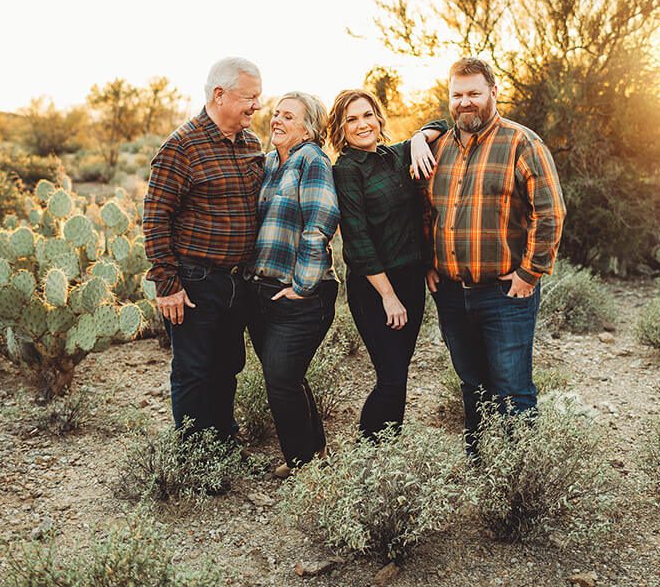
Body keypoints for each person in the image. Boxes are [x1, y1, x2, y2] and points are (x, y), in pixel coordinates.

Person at [414, 57, 565, 449]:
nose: (465, 102)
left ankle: (520, 482)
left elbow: (549, 212)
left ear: (493, 93)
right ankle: (480, 467)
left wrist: (529, 274)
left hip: (505, 293)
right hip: (449, 292)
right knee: (473, 387)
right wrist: (430, 264)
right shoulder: (438, 148)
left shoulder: (522, 142)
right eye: (457, 95)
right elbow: (426, 210)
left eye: (474, 94)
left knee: (513, 390)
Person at [144, 56, 264, 443]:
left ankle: (223, 444)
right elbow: (156, 218)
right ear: (220, 95)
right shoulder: (181, 147)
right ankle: (196, 460)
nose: (257, 106)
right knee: (194, 370)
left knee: (228, 366)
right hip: (195, 281)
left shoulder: (252, 143)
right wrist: (167, 285)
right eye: (250, 97)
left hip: (237, 281)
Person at [325, 89, 446, 439]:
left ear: (379, 118)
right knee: (391, 377)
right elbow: (358, 239)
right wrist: (389, 296)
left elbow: (441, 123)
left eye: (367, 115)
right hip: (375, 287)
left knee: (399, 373)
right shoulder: (346, 170)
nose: (362, 124)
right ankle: (370, 450)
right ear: (341, 129)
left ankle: (386, 450)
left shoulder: (396, 155)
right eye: (351, 119)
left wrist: (421, 138)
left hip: (411, 279)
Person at [245, 91, 340, 473]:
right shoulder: (270, 162)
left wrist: (302, 284)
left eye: (288, 116)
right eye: (276, 113)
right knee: (284, 376)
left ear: (309, 128)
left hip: (303, 294)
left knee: (281, 378)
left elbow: (320, 223)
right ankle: (315, 450)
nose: (277, 120)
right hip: (263, 289)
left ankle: (302, 466)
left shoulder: (312, 161)